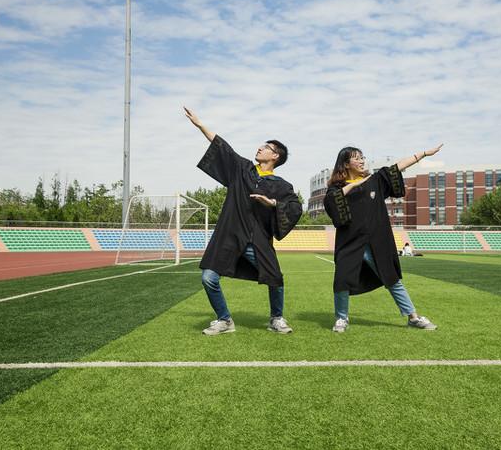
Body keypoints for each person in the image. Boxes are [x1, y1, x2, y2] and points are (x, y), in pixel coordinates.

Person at [185, 107, 302, 335]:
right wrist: (200, 125)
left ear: (275, 156)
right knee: (208, 278)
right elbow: (223, 147)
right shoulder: (243, 170)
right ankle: (225, 319)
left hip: (257, 239)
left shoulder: (281, 186)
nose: (260, 148)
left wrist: (273, 204)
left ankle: (276, 318)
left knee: (275, 278)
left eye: (266, 147)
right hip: (230, 234)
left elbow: (295, 208)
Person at [324, 144, 442, 333]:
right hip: (350, 242)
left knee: (392, 278)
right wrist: (353, 186)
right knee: (342, 280)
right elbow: (330, 202)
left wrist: (423, 154)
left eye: (362, 157)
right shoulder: (337, 188)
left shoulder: (375, 181)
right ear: (346, 164)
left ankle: (413, 317)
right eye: (356, 158)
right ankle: (341, 318)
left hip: (377, 241)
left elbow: (398, 167)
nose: (362, 160)